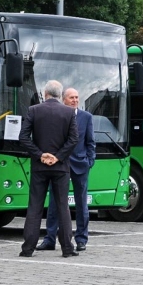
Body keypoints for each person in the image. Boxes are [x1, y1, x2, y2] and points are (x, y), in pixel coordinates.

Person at [18, 80, 80, 258]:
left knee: (35, 207)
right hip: (60, 167)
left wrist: (40, 155)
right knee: (63, 206)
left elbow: (24, 137)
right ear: (60, 95)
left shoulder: (34, 110)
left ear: (45, 94)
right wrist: (58, 156)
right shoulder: (69, 112)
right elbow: (74, 139)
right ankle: (67, 248)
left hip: (39, 167)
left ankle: (28, 248)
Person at [36, 88, 95, 252]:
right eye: (71, 98)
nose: (75, 100)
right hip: (59, 165)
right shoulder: (58, 116)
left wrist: (89, 161)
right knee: (54, 202)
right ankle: (49, 239)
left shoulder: (86, 117)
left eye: (77, 97)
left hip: (80, 166)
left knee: (81, 203)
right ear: (64, 100)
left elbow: (90, 142)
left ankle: (81, 239)